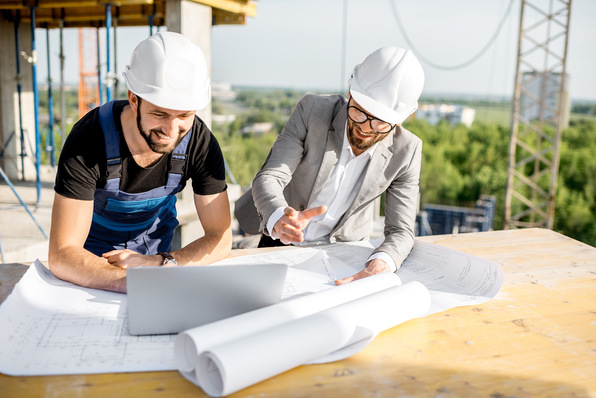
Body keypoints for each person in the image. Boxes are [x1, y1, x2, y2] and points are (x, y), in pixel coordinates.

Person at [48, 32, 232, 293]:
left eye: (184, 116)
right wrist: (134, 282)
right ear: (134, 100)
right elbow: (63, 253)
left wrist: (162, 264)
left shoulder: (200, 142)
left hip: (156, 250)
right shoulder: (89, 140)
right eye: (159, 114)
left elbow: (221, 238)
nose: (171, 129)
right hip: (90, 259)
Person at [235, 46, 424, 285]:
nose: (365, 127)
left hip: (342, 254)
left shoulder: (407, 151)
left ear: (400, 120)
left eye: (379, 122)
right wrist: (278, 216)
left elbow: (401, 230)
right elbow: (270, 177)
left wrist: (384, 261)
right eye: (359, 111)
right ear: (350, 91)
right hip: (279, 239)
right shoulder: (312, 111)